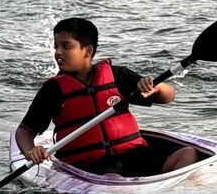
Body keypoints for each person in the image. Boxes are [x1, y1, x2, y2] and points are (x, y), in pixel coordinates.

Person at [16, 17, 199, 177]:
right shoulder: (53, 89)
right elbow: (25, 130)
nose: (57, 52)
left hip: (133, 155)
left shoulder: (117, 76)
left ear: (87, 51)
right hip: (91, 166)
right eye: (56, 46)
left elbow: (168, 97)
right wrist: (31, 151)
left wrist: (156, 88)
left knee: (188, 154)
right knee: (113, 179)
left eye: (66, 46)